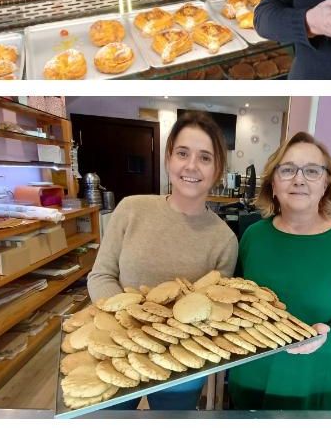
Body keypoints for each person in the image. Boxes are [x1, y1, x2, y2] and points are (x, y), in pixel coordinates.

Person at [88, 111, 238, 411]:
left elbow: (211, 311)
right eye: (183, 153)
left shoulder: (224, 240)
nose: (191, 165)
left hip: (180, 359)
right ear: (169, 159)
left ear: (217, 168)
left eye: (205, 157)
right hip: (116, 344)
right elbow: (101, 276)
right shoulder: (131, 209)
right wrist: (134, 327)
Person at [228, 132, 331, 410]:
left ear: (326, 183)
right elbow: (236, 302)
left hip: (311, 384)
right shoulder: (253, 236)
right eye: (288, 170)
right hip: (249, 377)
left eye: (312, 170)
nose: (299, 179)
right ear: (272, 183)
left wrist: (325, 337)